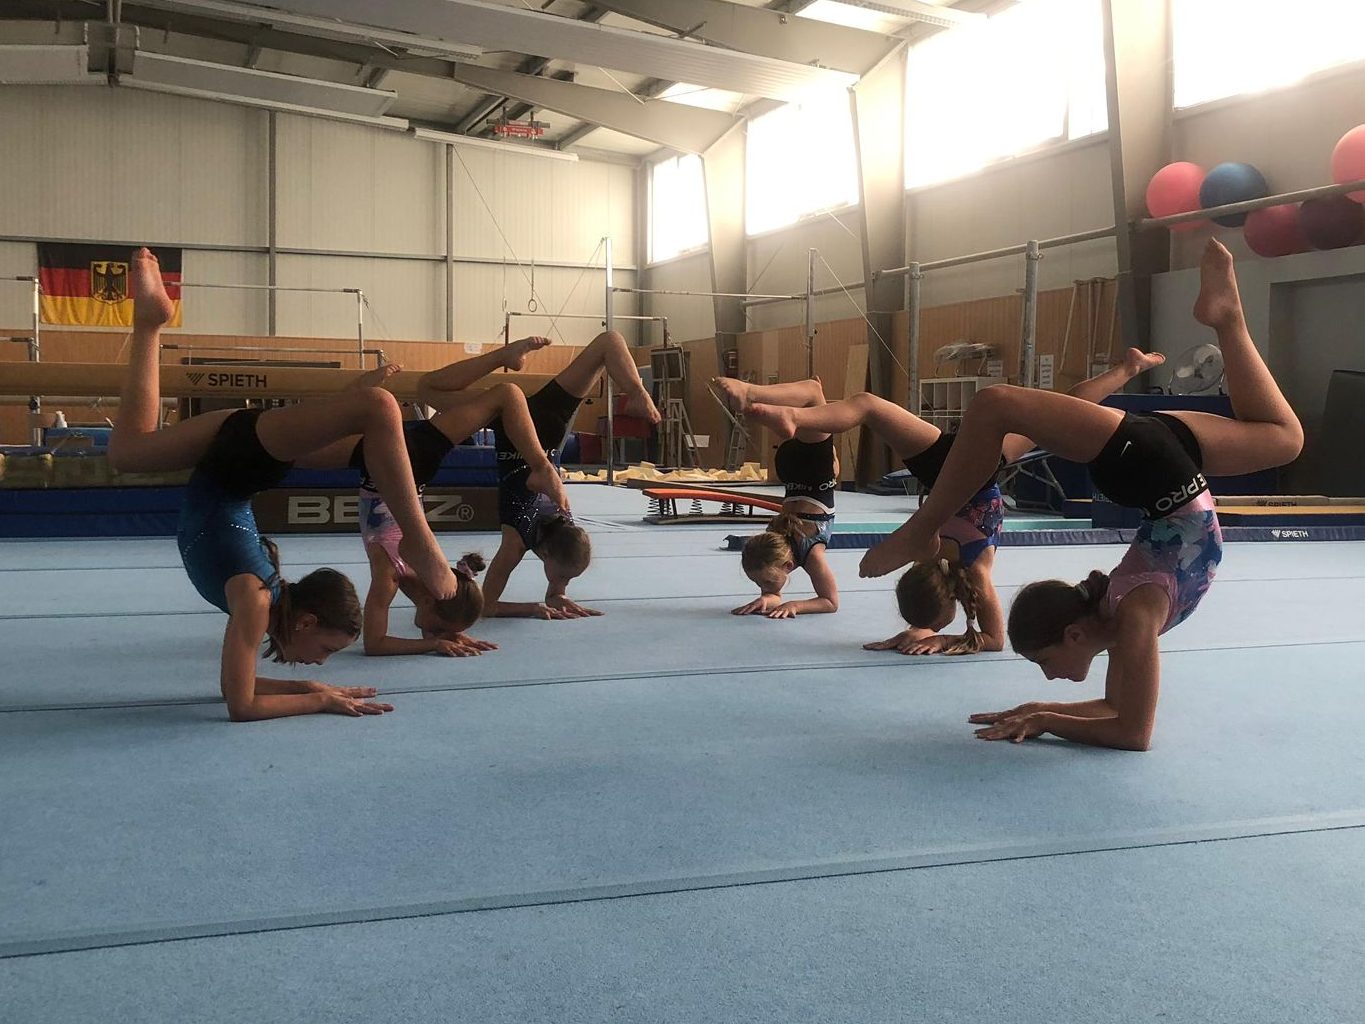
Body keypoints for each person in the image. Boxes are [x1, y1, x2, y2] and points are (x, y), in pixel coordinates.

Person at [869, 239, 1299, 749]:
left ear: (1074, 634)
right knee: (1284, 439)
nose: (1049, 676)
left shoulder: (1131, 616)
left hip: (1153, 471)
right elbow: (1119, 712)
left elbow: (1132, 732)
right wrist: (1039, 709)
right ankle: (1226, 319)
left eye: (1044, 663)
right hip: (1162, 469)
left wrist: (1047, 719)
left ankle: (921, 529)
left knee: (994, 405)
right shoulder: (1124, 621)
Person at [108, 248, 456, 721]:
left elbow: (235, 688)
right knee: (378, 408)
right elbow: (241, 707)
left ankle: (149, 323)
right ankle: (419, 539)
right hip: (242, 461)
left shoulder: (259, 600)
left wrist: (309, 686)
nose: (322, 662)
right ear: (307, 622)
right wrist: (319, 699)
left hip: (231, 456)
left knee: (127, 453)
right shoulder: (256, 600)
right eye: (327, 650)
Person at [740, 352, 1162, 651]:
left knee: (1069, 408)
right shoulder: (935, 561)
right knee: (868, 406)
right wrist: (932, 635)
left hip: (974, 470)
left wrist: (938, 637)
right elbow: (991, 639)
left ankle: (1127, 368)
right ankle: (799, 414)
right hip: (954, 469)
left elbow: (994, 640)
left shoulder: (972, 572)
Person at [297, 339, 571, 655]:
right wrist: (433, 642)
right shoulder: (392, 576)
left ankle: (537, 454)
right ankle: (541, 465)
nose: (436, 632)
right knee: (295, 447)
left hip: (410, 465)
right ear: (430, 601)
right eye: (440, 627)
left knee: (505, 395)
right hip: (392, 465)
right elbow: (374, 644)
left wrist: (451, 634)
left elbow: (425, 616)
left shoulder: (428, 581)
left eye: (443, 631)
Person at [482, 330, 660, 619]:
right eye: (564, 578)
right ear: (547, 555)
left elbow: (552, 576)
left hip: (533, 427)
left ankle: (637, 392)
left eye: (567, 580)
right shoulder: (516, 542)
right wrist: (532, 608)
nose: (564, 581)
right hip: (525, 427)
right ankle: (638, 392)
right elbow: (486, 606)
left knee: (608, 342)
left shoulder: (563, 528)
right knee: (430, 391)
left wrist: (557, 596)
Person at [710, 377, 839, 619]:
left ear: (787, 566)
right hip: (789, 468)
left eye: (765, 583)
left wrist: (796, 605)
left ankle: (752, 394)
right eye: (759, 583)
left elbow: (830, 602)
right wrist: (768, 598)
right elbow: (776, 591)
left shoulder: (811, 555)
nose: (763, 586)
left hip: (815, 474)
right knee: (806, 410)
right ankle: (759, 408)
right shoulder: (773, 545)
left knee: (812, 392)